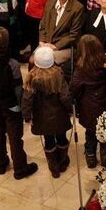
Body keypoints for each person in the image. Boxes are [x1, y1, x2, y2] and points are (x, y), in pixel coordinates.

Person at [0, 27, 39, 179]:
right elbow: (18, 89)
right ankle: (20, 168)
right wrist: (23, 107)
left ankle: (0, 162)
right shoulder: (12, 64)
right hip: (11, 105)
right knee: (14, 136)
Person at [22, 46, 72, 178]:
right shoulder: (58, 74)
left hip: (42, 118)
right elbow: (65, 96)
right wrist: (70, 109)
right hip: (60, 115)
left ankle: (53, 166)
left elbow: (27, 99)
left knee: (49, 140)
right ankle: (63, 161)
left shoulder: (32, 77)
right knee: (62, 138)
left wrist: (27, 116)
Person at [70, 34, 106, 168]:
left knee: (90, 133)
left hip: (89, 106)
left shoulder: (82, 68)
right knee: (105, 133)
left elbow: (74, 87)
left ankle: (91, 157)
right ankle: (105, 157)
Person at [38, 0, 85, 65]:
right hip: (47, 43)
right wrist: (42, 41)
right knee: (33, 60)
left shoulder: (78, 8)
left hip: (65, 47)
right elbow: (42, 25)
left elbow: (74, 35)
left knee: (47, 61)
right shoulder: (50, 2)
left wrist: (55, 46)